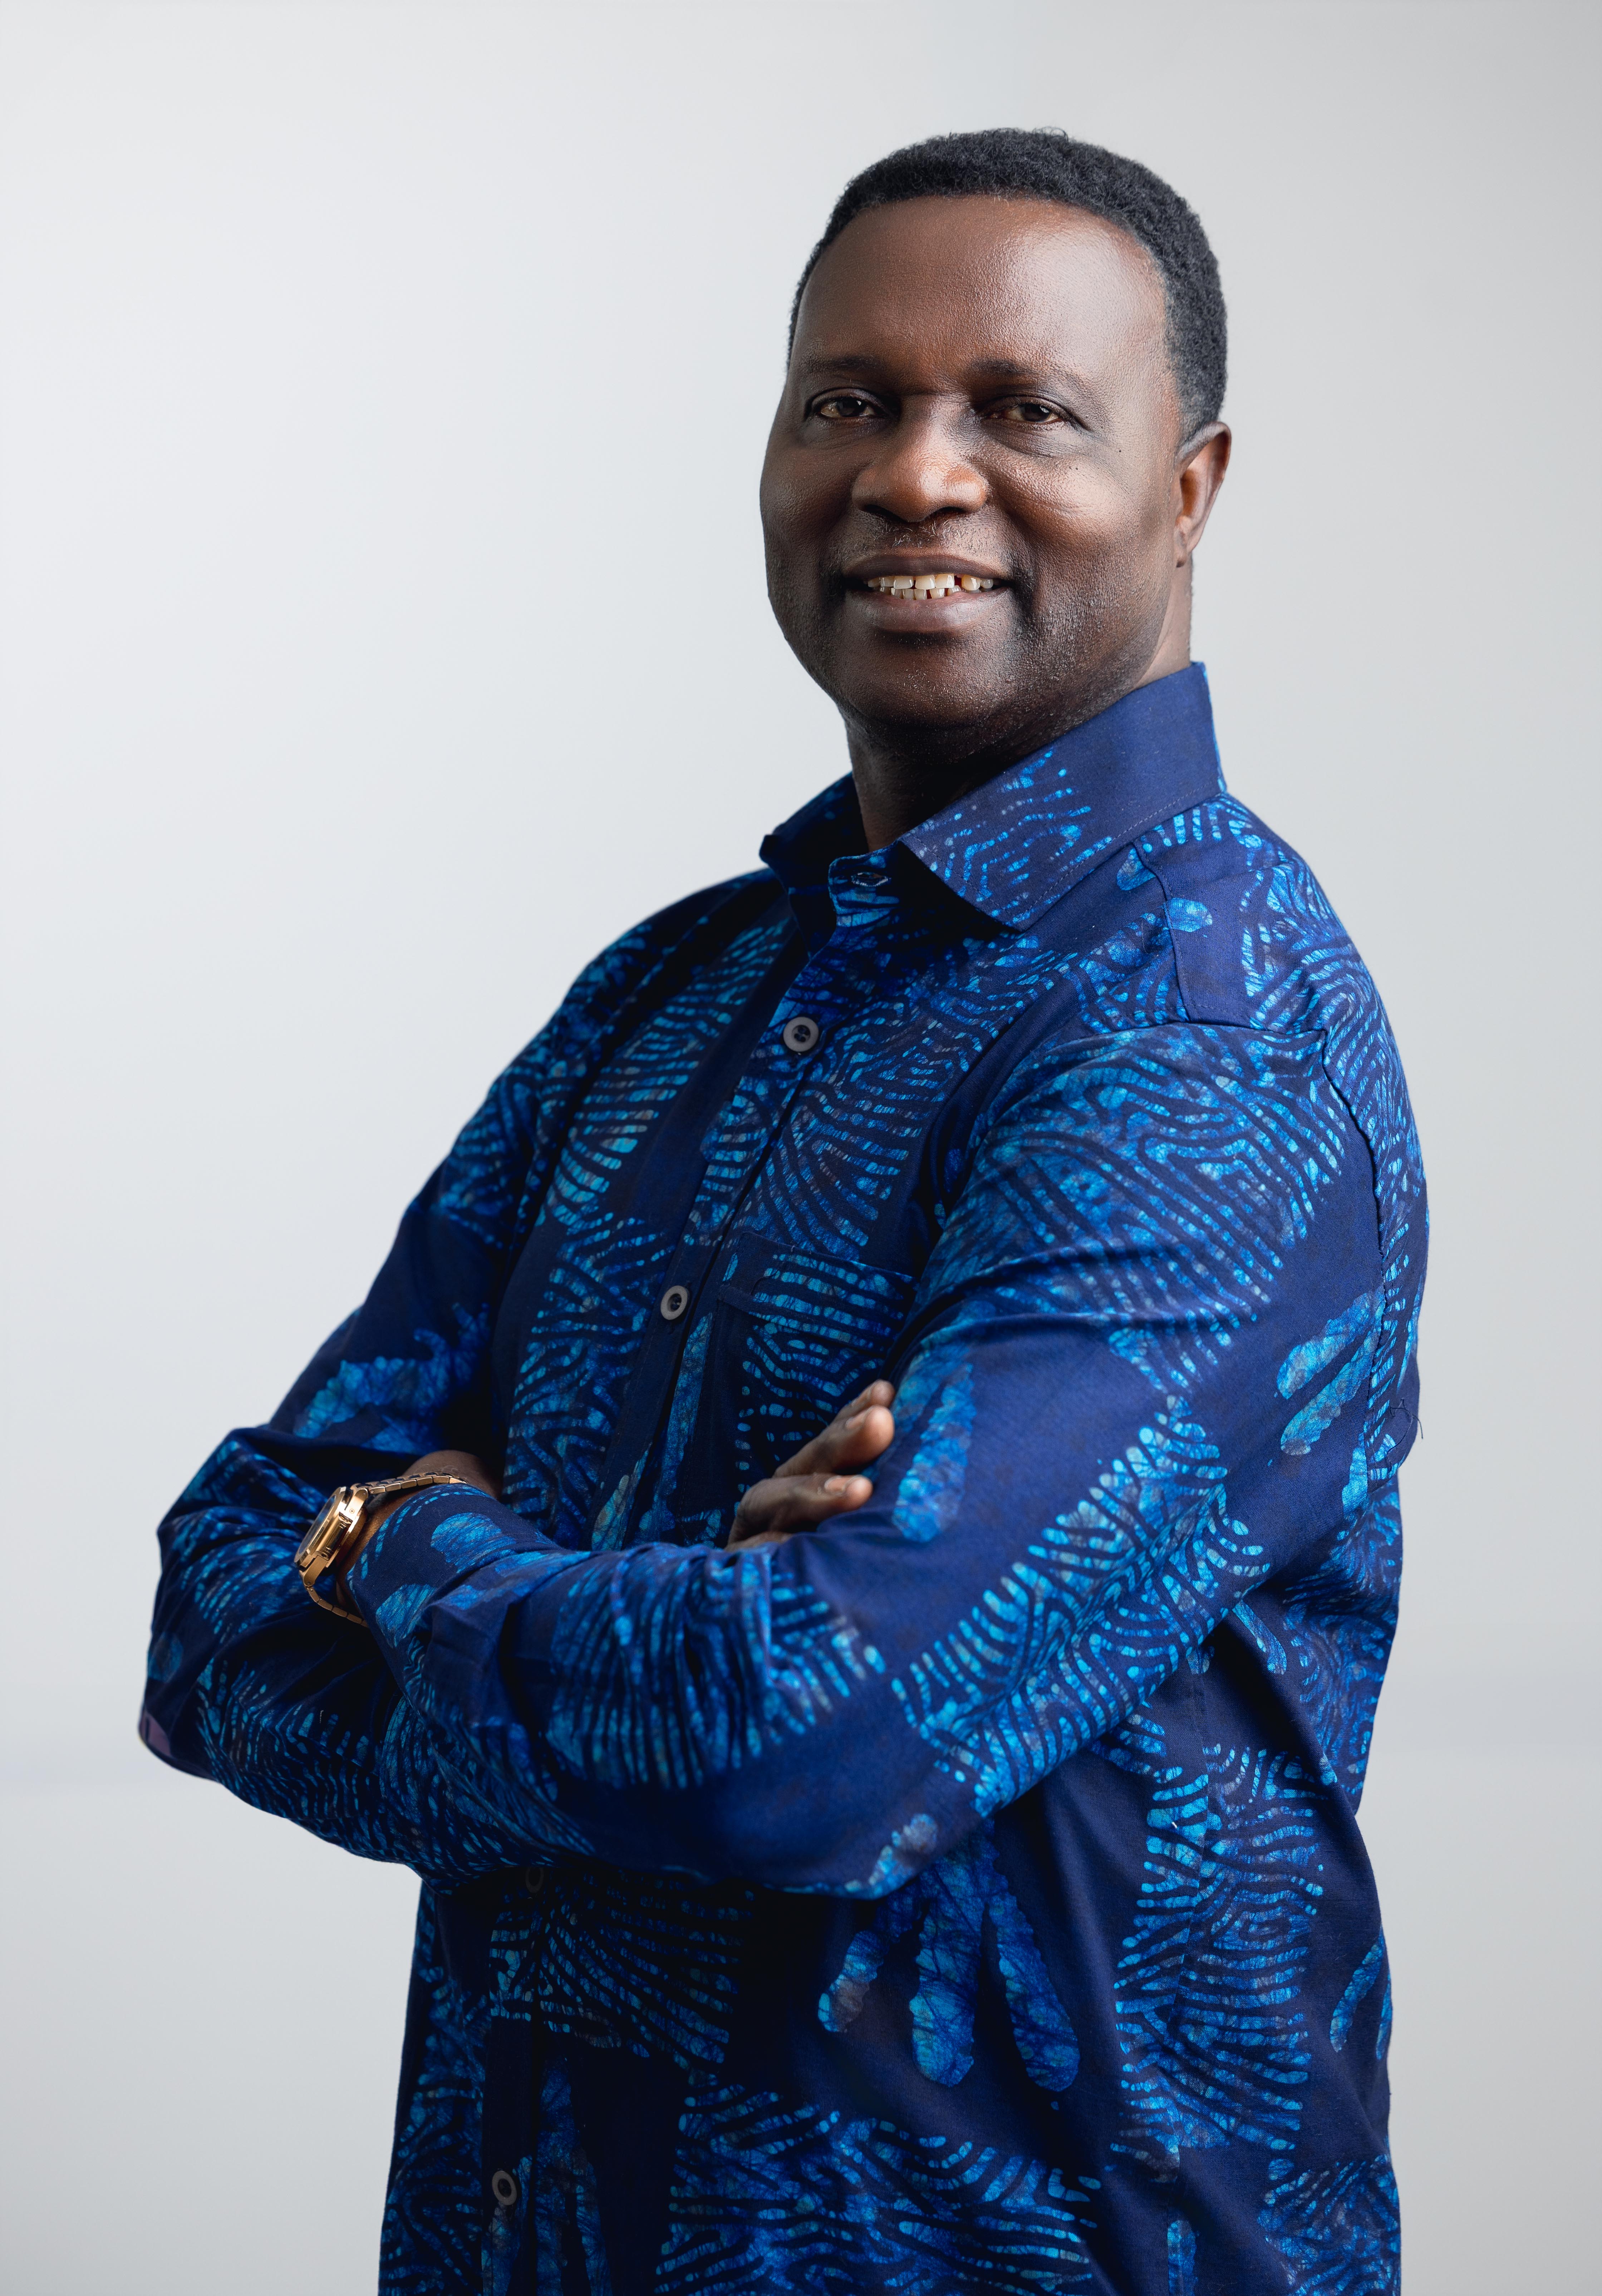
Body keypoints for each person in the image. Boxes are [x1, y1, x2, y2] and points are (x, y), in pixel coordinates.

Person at [143, 128, 1424, 2295]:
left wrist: (405, 1552)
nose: (916, 475)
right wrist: (626, 1634)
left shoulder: (1208, 1037)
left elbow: (805, 1737)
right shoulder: (668, 998)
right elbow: (207, 1610)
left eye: (1026, 410)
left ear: (1191, 488)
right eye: (849, 398)